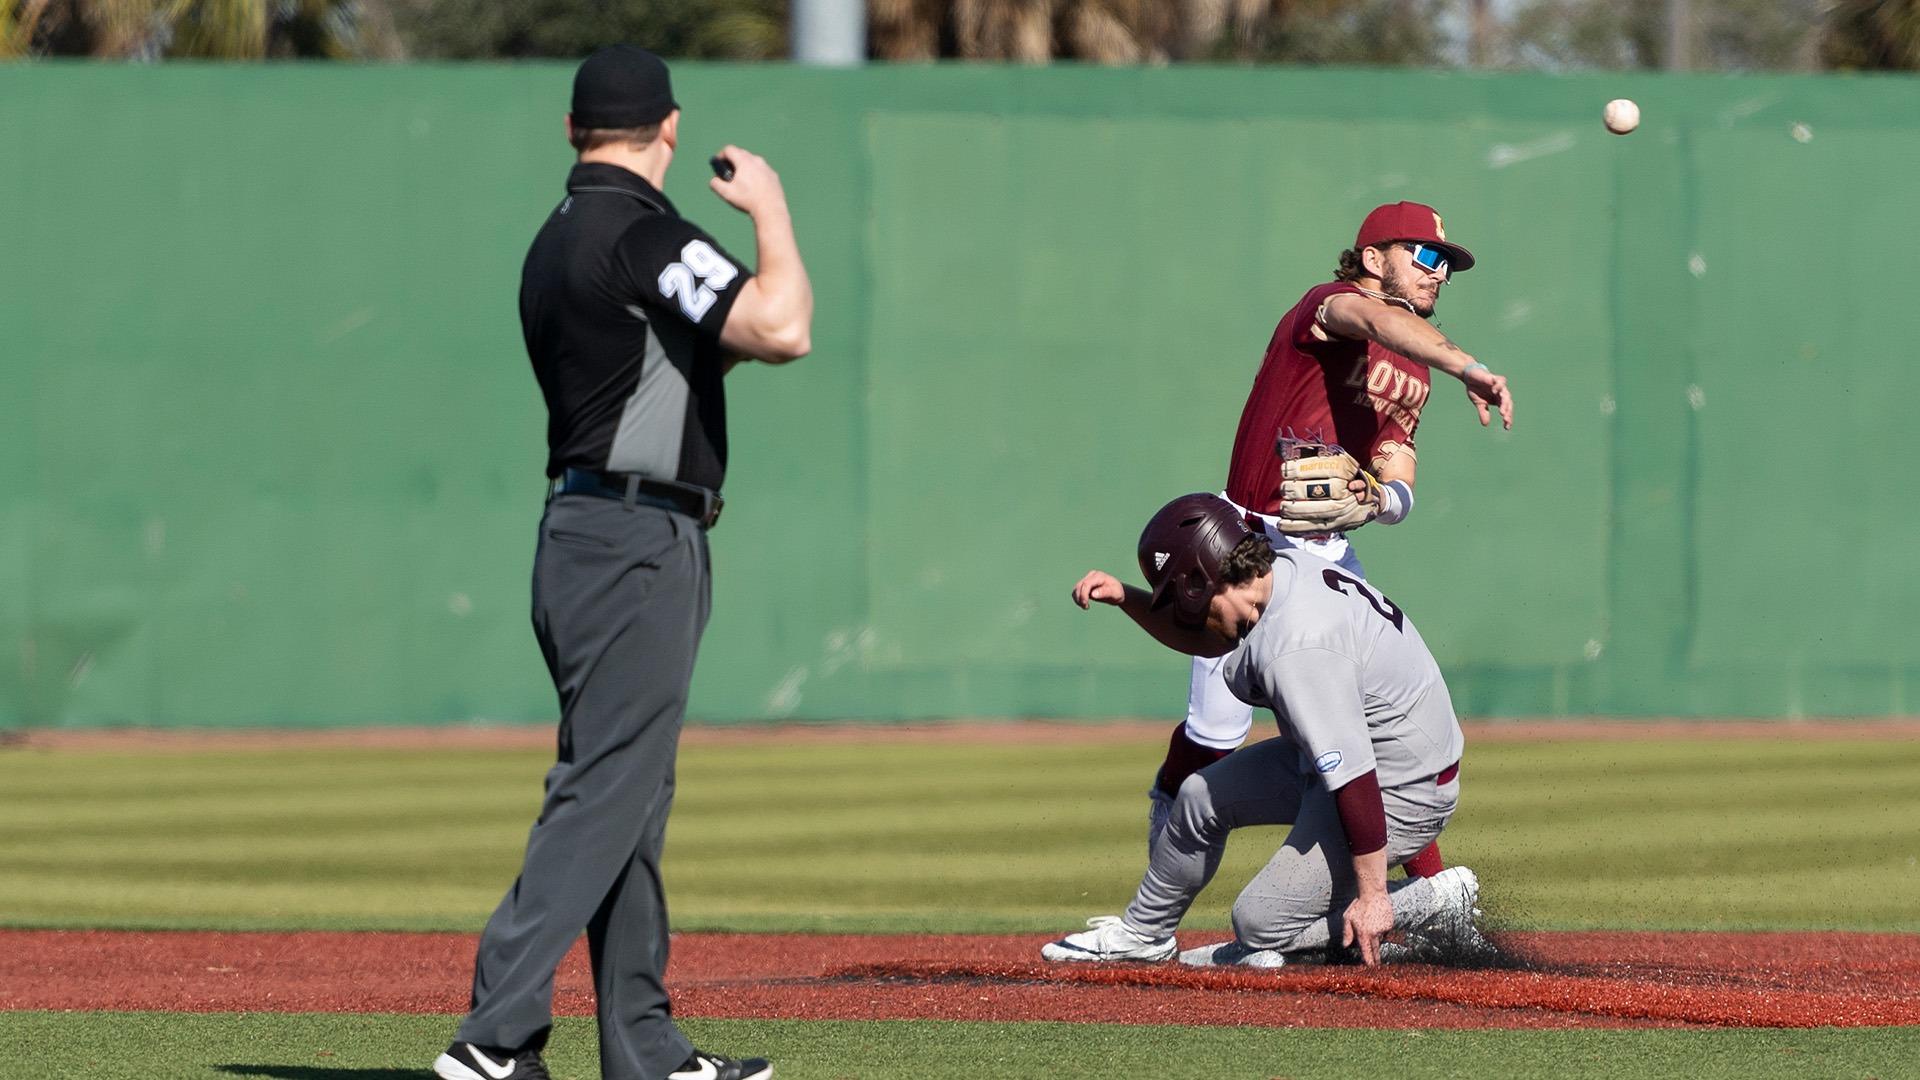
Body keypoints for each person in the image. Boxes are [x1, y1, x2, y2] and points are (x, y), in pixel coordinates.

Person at [434, 45, 811, 1080]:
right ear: (671, 128)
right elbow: (783, 328)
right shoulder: (643, 235)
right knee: (606, 787)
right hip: (638, 541)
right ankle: (494, 1037)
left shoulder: (554, 240)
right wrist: (769, 210)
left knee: (630, 792)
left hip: (576, 535)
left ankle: (643, 1048)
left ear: (572, 130)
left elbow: (692, 348)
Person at [1147, 202, 1515, 875]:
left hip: (1326, 559)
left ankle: (1436, 903)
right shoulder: (1330, 305)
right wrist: (1468, 365)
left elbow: (1396, 466)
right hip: (1243, 547)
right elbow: (1374, 320)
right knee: (1214, 738)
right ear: (1374, 259)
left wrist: (1383, 499)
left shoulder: (1414, 370)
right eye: (1426, 257)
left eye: (1447, 266)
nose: (1439, 274)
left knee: (1361, 735)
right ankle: (1152, 916)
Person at [1042, 493, 1494, 968]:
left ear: (1201, 582)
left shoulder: (1297, 646)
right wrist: (1128, 599)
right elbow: (1209, 635)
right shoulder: (1279, 574)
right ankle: (1145, 934)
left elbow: (1355, 776)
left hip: (1402, 786)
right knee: (1198, 796)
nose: (1180, 609)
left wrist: (1375, 896)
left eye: (1178, 595)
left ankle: (1435, 899)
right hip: (1372, 756)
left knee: (1260, 923)